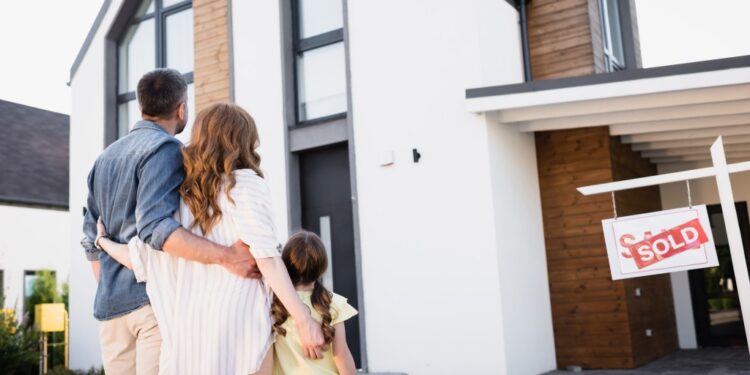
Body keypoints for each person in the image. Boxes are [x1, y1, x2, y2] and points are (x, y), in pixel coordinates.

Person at [95, 102, 326, 375]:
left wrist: (103, 241)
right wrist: (304, 320)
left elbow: (139, 257)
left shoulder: (178, 201)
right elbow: (268, 259)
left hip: (189, 339)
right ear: (242, 141)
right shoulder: (245, 184)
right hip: (241, 330)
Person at [81, 68, 263, 375]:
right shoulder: (166, 149)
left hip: (110, 308)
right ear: (181, 108)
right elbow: (155, 227)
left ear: (141, 107)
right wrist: (227, 257)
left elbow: (90, 241)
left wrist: (113, 286)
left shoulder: (105, 157)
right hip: (152, 303)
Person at [272, 231, 358, 375]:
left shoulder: (274, 305)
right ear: (321, 269)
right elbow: (341, 354)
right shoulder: (332, 302)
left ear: (285, 265)